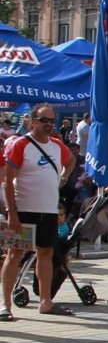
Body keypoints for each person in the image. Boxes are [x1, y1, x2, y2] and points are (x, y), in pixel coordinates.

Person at [1, 103, 75, 319]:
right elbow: (7, 181)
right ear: (33, 122)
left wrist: (64, 177)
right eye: (44, 120)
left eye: (52, 120)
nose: (49, 124)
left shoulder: (57, 145)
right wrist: (12, 212)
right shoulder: (21, 144)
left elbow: (70, 160)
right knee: (14, 254)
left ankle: (45, 301)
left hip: (48, 211)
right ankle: (5, 305)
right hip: (24, 209)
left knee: (46, 252)